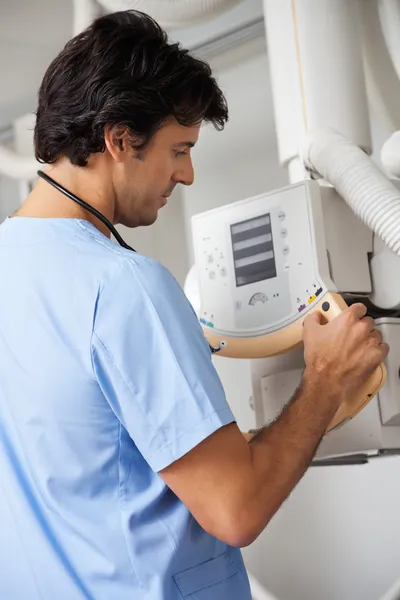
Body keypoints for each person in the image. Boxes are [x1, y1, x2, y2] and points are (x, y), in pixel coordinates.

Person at [0, 10, 388, 600]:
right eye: (179, 148)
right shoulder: (123, 287)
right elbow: (235, 509)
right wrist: (326, 381)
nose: (187, 173)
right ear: (120, 139)